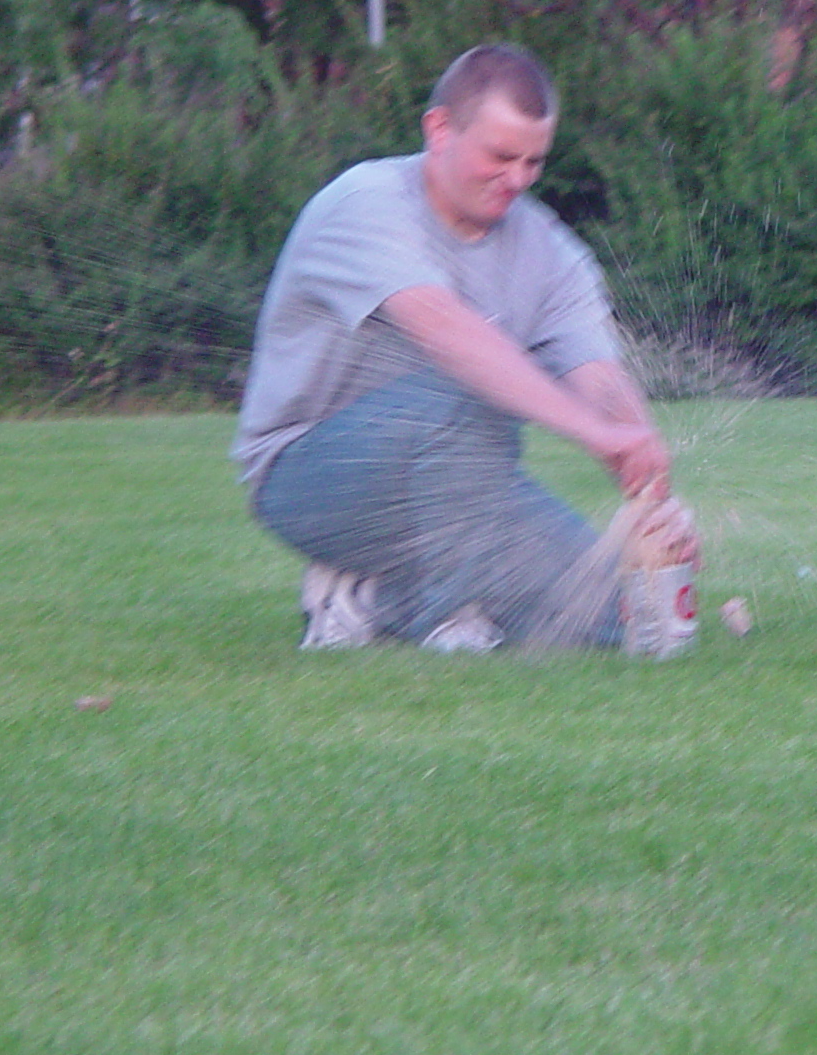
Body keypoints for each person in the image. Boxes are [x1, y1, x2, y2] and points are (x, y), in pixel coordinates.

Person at [235, 43, 684, 652]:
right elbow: (447, 331)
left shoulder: (550, 251)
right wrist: (589, 431)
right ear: (440, 129)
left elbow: (598, 377)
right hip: (313, 480)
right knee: (462, 394)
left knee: (618, 615)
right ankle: (441, 605)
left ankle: (369, 598)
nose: (518, 179)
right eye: (500, 156)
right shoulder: (364, 204)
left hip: (464, 490)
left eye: (534, 161)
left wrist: (655, 506)